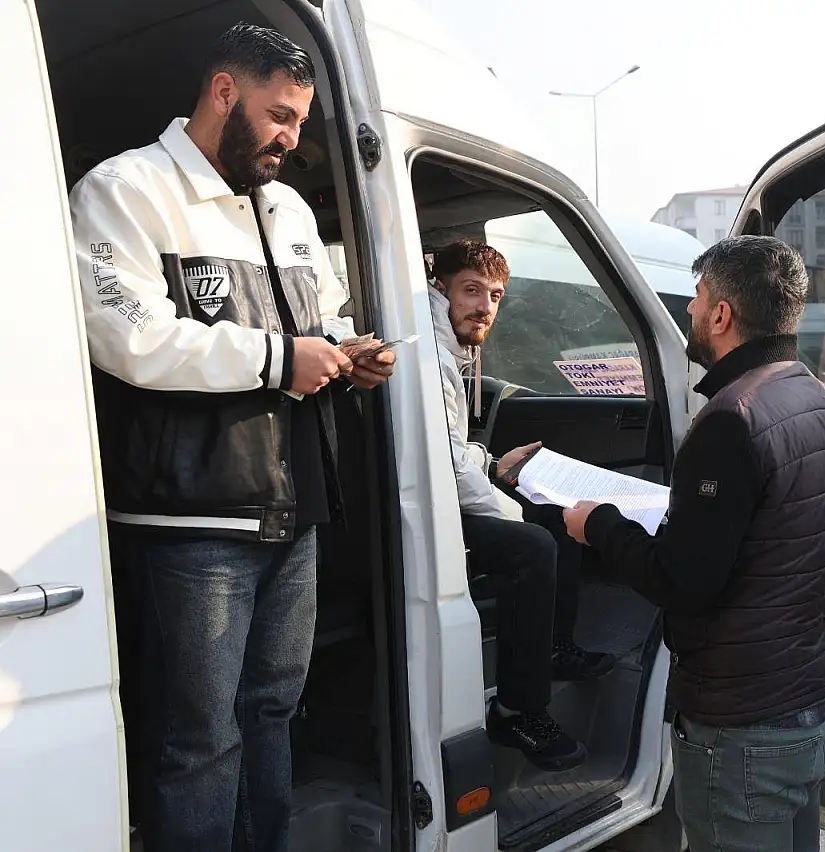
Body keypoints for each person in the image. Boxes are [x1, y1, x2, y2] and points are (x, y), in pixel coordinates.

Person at [69, 23, 397, 851]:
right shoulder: (125, 189)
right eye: (279, 116)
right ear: (223, 92)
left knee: (274, 711)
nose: (291, 139)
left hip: (297, 513)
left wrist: (350, 352)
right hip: (194, 521)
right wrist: (281, 358)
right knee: (200, 739)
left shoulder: (288, 208)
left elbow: (321, 317)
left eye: (298, 121)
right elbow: (129, 337)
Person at [562, 235, 825, 852]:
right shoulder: (824, 401)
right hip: (809, 708)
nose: (692, 313)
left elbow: (683, 582)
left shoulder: (731, 418)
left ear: (723, 314)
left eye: (698, 299)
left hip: (742, 730)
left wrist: (596, 524)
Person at [427, 239, 615, 771]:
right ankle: (516, 712)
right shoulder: (431, 351)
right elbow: (445, 467)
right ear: (440, 288)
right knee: (534, 541)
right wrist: (513, 508)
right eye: (471, 290)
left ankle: (554, 645)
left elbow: (451, 451)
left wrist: (492, 465)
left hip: (444, 485)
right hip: (418, 508)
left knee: (561, 515)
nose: (485, 305)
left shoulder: (454, 346)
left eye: (495, 295)